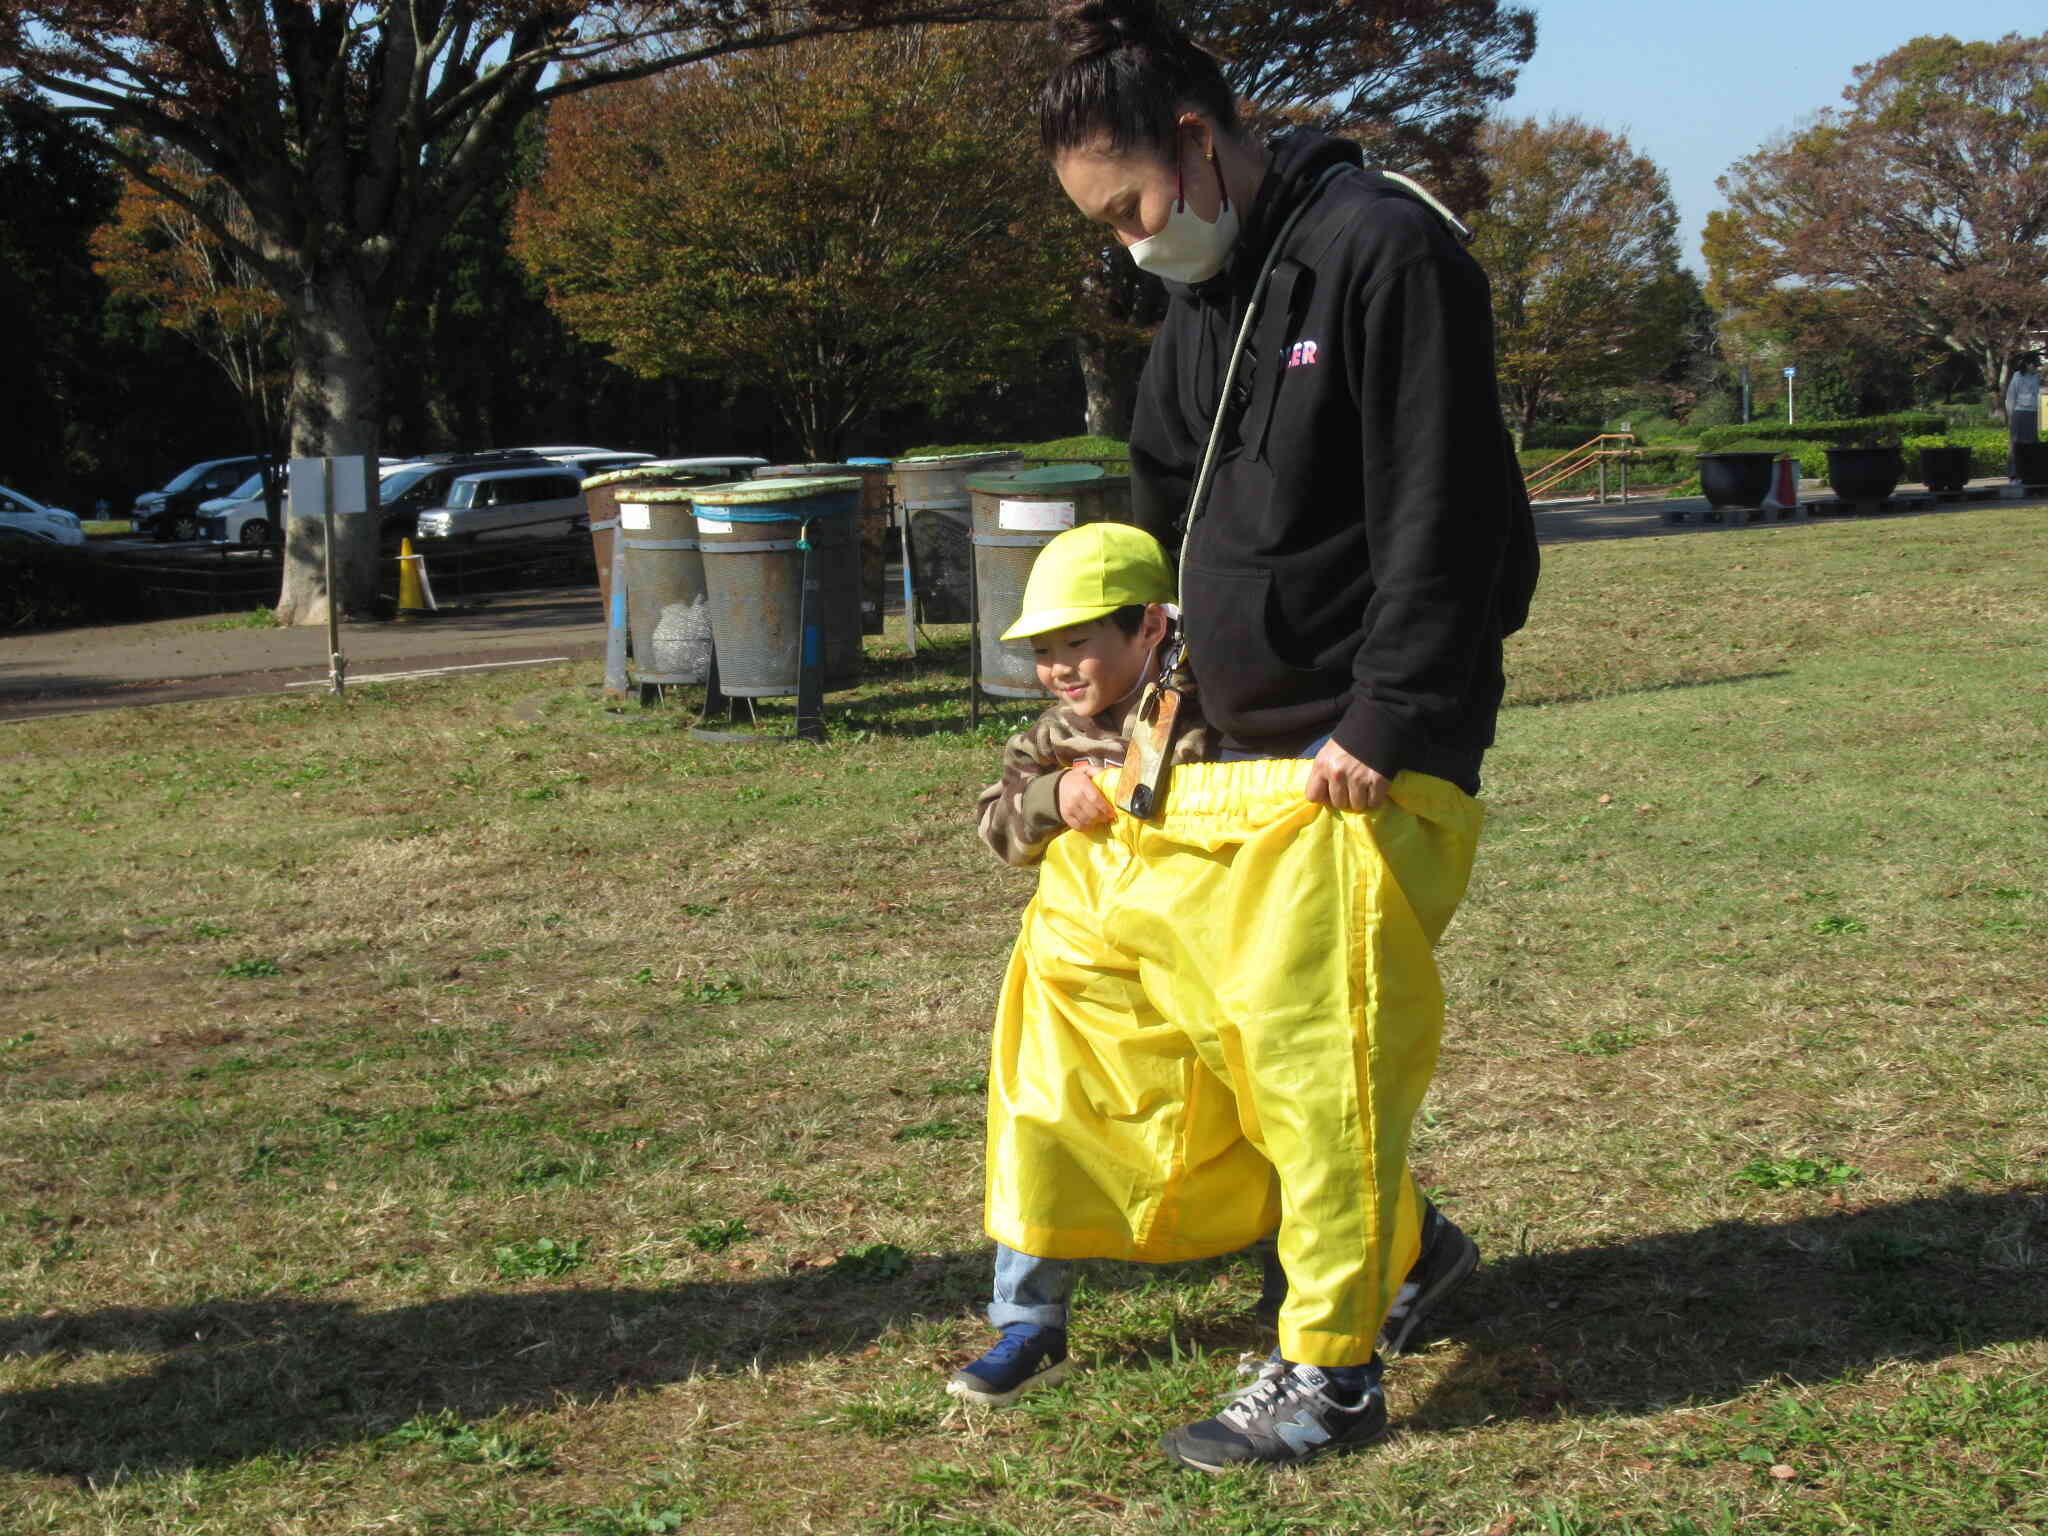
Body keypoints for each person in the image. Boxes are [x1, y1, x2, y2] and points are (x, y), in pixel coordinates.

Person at [959, 0, 1538, 1472]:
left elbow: (1446, 508)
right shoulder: (1204, 302)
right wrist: (1135, 688)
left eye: (1134, 207)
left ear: (1202, 144)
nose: (1130, 242)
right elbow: (1162, 506)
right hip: (1222, 759)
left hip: (1352, 761)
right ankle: (1407, 1257)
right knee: (1170, 1021)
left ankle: (1331, 1370)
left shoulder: (1384, 251)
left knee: (1314, 1062)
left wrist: (1389, 715)